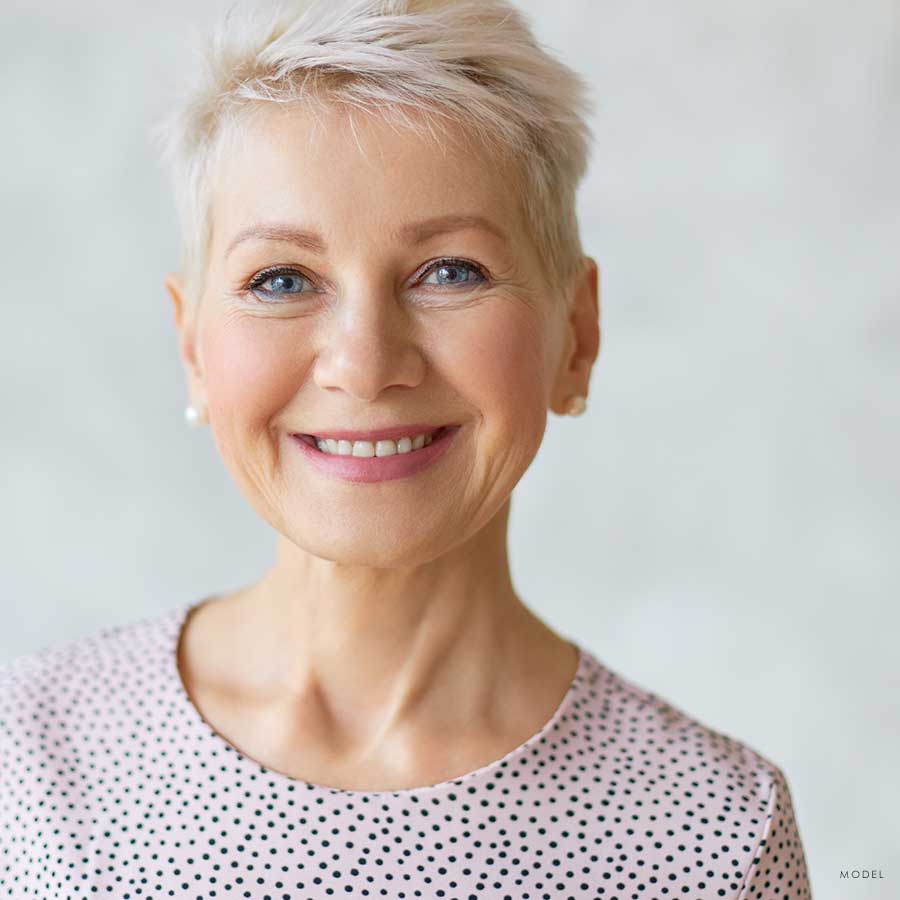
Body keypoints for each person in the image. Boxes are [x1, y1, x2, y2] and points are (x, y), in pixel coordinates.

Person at [0, 1, 811, 897]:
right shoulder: (27, 759)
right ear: (194, 348)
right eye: (281, 279)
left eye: (450, 271)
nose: (365, 363)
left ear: (575, 335)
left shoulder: (716, 834)